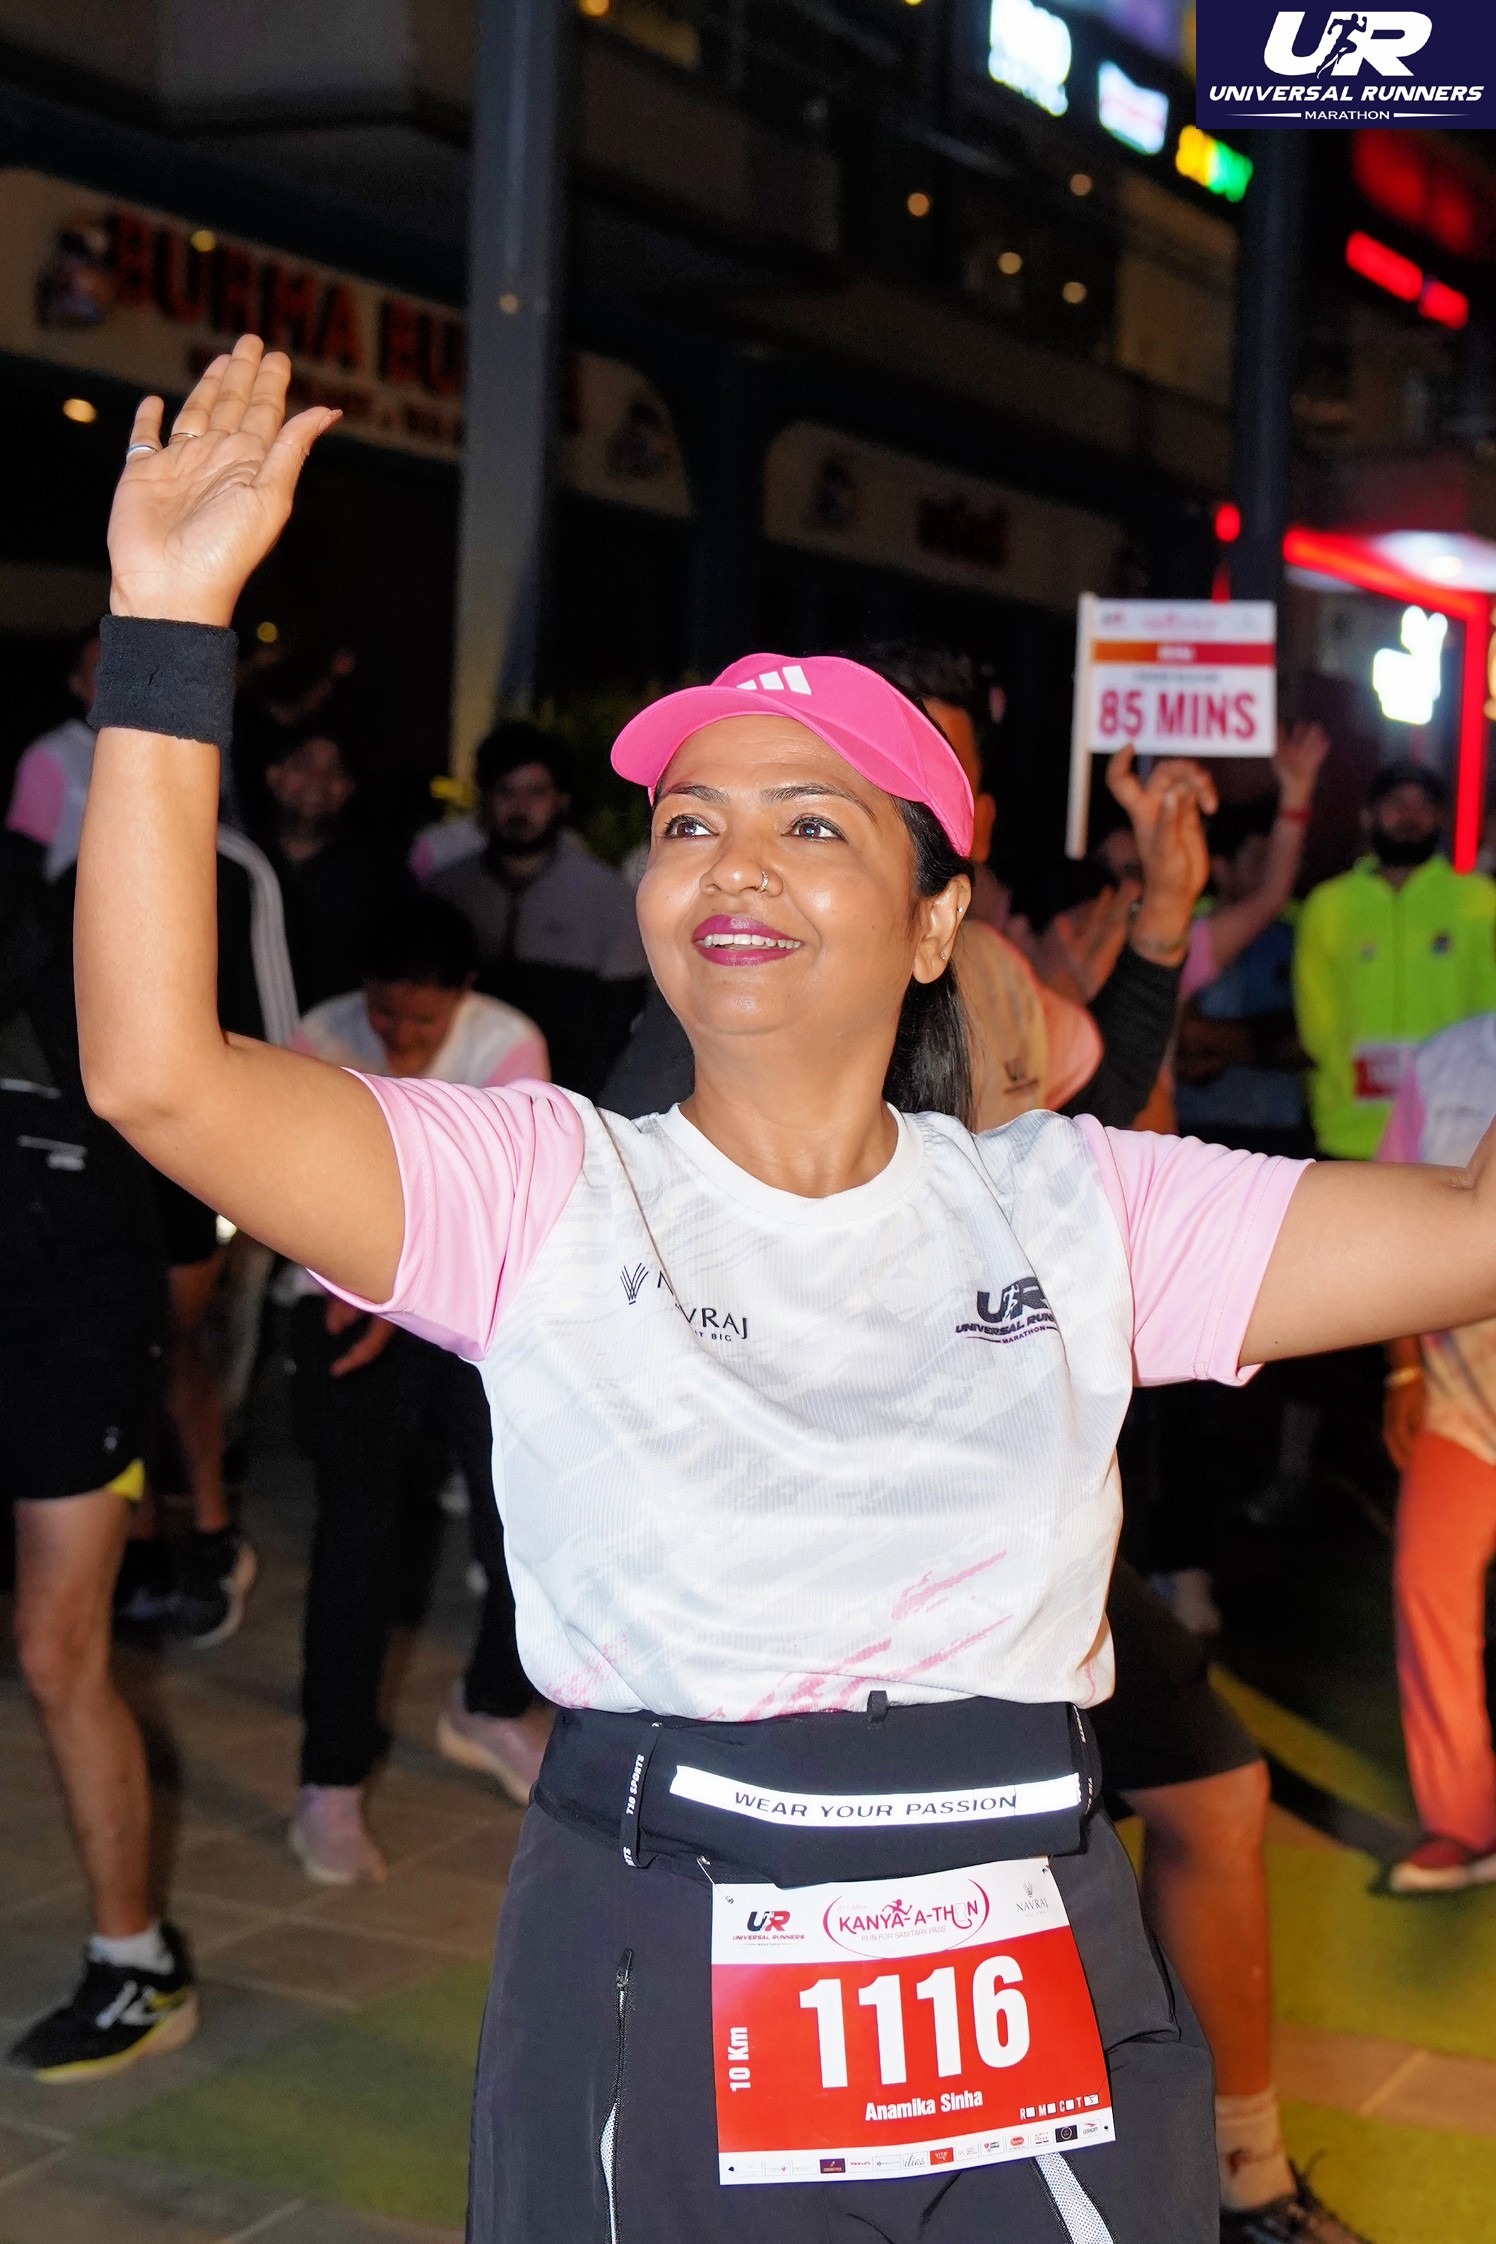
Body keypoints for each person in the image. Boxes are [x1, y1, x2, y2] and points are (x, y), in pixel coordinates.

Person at [78, 339, 1488, 2241]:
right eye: (690, 822)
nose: (734, 859)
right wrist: (169, 628)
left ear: (934, 919)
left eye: (812, 822)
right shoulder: (542, 1188)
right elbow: (159, 1073)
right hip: (663, 1953)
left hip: (1032, 1976)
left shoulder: (1077, 1210)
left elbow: (1471, 1223)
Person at [605, 672, 1363, 2244]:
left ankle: (1238, 2167)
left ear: (947, 874)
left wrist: (1168, 918)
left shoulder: (1005, 1008)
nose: (758, 863)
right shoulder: (684, 1062)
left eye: (848, 806)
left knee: (1205, 1796)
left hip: (1002, 1539)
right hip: (796, 1623)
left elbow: (1112, 1117)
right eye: (714, 821)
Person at [284, 895, 551, 1881]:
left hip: (475, 1311)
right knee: (357, 1542)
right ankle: (330, 1782)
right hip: (342, 1302)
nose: (399, 1036)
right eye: (385, 1012)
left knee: (522, 1521)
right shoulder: (319, 1036)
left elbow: (508, 1203)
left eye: (422, 1020)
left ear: (462, 996)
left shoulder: (506, 1044)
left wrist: (396, 1300)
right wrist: (358, 1289)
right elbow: (292, 1180)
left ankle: (491, 1704)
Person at [2, 838, 197, 2080]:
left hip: (75, 1357)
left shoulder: (73, 995)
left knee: (56, 1652)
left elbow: (185, 1247)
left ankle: (137, 1966)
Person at [1378, 1019, 1496, 1894]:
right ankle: (1463, 1823)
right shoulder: (1446, 1058)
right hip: (1464, 1395)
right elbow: (1390, 1222)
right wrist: (1406, 1368)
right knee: (1427, 1581)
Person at [427, 721, 648, 1096]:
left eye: (536, 792)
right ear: (485, 798)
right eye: (506, 791)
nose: (520, 808)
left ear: (561, 800)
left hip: (570, 1098)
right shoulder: (447, 889)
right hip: (460, 1097)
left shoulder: (607, 897)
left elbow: (620, 1024)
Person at [1293, 761, 1496, 1161]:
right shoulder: (1328, 906)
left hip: (1453, 1131)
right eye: (1396, 803)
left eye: (1423, 805)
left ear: (1440, 818)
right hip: (1349, 1131)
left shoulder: (1479, 902)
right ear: (1368, 815)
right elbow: (1317, 1021)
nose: (1410, 815)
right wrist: (1345, 1075)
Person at [255, 728, 406, 1010]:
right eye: (305, 765)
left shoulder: (380, 877)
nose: (318, 780)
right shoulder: (237, 863)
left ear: (349, 788)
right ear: (273, 775)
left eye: (335, 771)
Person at [5, 624, 102, 877]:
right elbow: (22, 865)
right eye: (100, 671)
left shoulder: (157, 750)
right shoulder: (51, 756)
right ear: (77, 683)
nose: (114, 682)